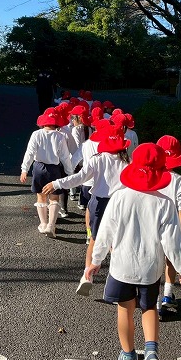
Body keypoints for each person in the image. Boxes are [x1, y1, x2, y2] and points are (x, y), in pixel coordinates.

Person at [85, 143, 181, 360]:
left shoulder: (119, 197)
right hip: (150, 269)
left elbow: (104, 233)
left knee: (124, 310)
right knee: (149, 309)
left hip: (122, 267)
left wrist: (95, 261)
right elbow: (173, 244)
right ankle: (151, 353)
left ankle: (128, 358)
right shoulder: (165, 204)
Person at [42, 123, 130, 295]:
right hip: (120, 204)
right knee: (117, 241)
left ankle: (86, 276)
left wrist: (57, 183)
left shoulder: (98, 159)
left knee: (95, 239)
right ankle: (119, 278)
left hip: (99, 203)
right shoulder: (128, 162)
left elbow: (79, 178)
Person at [20, 107, 73, 238]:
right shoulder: (60, 136)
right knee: (54, 198)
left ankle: (43, 223)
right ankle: (51, 225)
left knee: (41, 196)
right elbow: (65, 156)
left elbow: (30, 153)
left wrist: (24, 169)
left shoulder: (36, 134)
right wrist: (69, 172)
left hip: (39, 168)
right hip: (54, 169)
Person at [156, 135, 181, 316]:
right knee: (171, 260)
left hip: (152, 224)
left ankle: (155, 302)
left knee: (154, 262)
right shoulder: (179, 180)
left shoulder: (151, 175)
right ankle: (167, 294)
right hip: (172, 226)